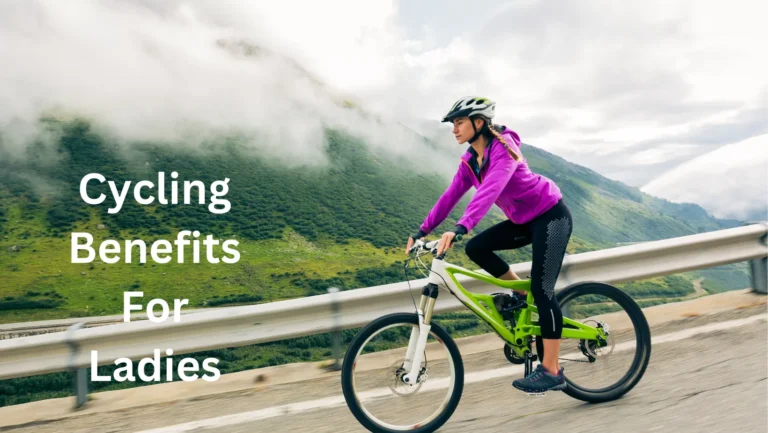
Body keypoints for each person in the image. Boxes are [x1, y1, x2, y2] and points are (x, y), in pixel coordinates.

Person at [405, 96, 573, 394]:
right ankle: (520, 293)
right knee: (476, 248)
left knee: (543, 290)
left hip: (550, 216)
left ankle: (552, 370)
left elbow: (490, 190)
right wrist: (422, 230)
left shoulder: (504, 149)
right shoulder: (471, 161)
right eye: (453, 124)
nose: (454, 129)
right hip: (523, 221)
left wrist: (460, 228)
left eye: (459, 122)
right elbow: (450, 195)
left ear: (479, 122)